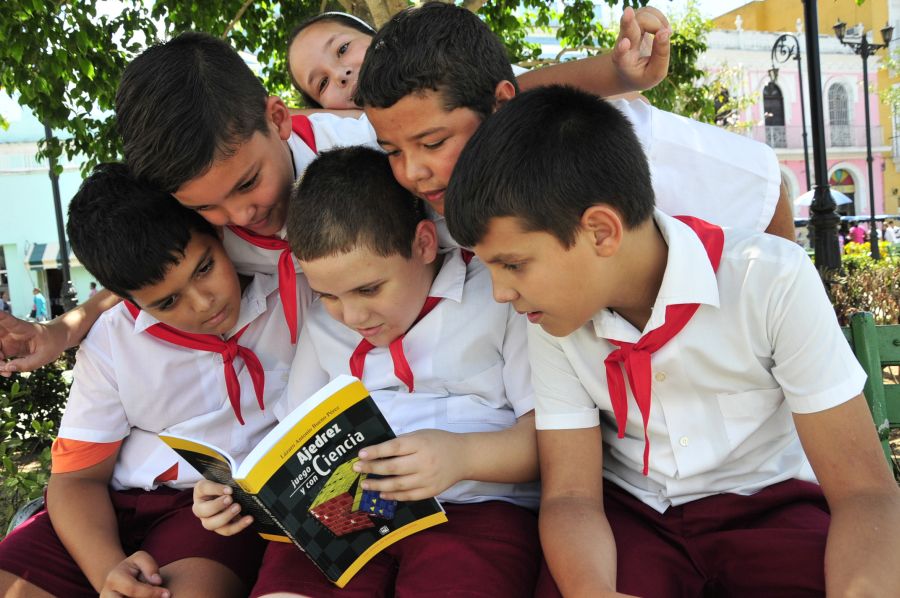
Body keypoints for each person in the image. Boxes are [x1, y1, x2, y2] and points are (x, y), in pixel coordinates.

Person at [443, 85, 900, 597]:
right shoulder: (552, 322)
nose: (501, 293)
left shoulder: (767, 280)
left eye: (512, 265)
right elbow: (572, 496)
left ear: (600, 232)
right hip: (633, 523)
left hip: (770, 511)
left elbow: (864, 492)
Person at [193, 146, 541, 597]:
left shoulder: (498, 299)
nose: (352, 316)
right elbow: (292, 436)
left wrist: (462, 457)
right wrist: (235, 492)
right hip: (342, 519)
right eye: (330, 295)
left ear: (423, 243)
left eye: (369, 288)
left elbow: (554, 440)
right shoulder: (322, 325)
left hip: (475, 510)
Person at [0, 163, 305, 597]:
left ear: (218, 234)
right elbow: (76, 481)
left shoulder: (293, 293)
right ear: (127, 299)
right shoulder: (113, 338)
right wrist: (108, 570)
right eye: (167, 300)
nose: (205, 303)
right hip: (104, 507)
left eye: (204, 269)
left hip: (208, 510)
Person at [353, 2, 795, 247]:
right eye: (392, 151)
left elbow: (759, 183)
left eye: (433, 143)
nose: (413, 172)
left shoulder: (619, 144)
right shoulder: (431, 192)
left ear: (500, 106)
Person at [287, 7, 672, 110]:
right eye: (320, 83)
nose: (340, 74)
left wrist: (618, 76)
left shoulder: (448, 68)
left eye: (342, 49)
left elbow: (521, 89)